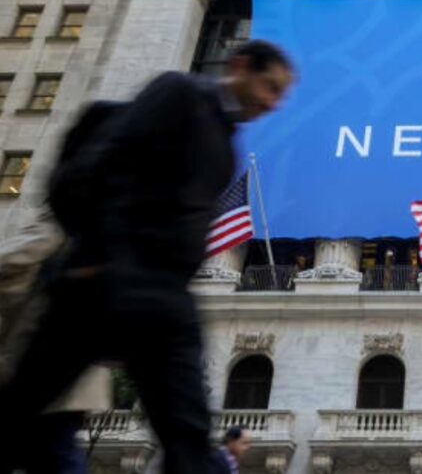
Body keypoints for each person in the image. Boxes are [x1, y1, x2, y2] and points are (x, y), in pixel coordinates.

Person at [0, 40, 294, 474]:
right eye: (270, 87)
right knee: (21, 412)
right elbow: (95, 164)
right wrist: (94, 254)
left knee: (188, 432)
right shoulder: (178, 93)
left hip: (163, 298)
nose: (273, 103)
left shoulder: (227, 143)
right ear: (242, 65)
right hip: (104, 283)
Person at [0, 207, 112, 474]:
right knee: (55, 450)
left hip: (44, 361)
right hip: (64, 367)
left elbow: (23, 253)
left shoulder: (67, 215)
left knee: (56, 449)